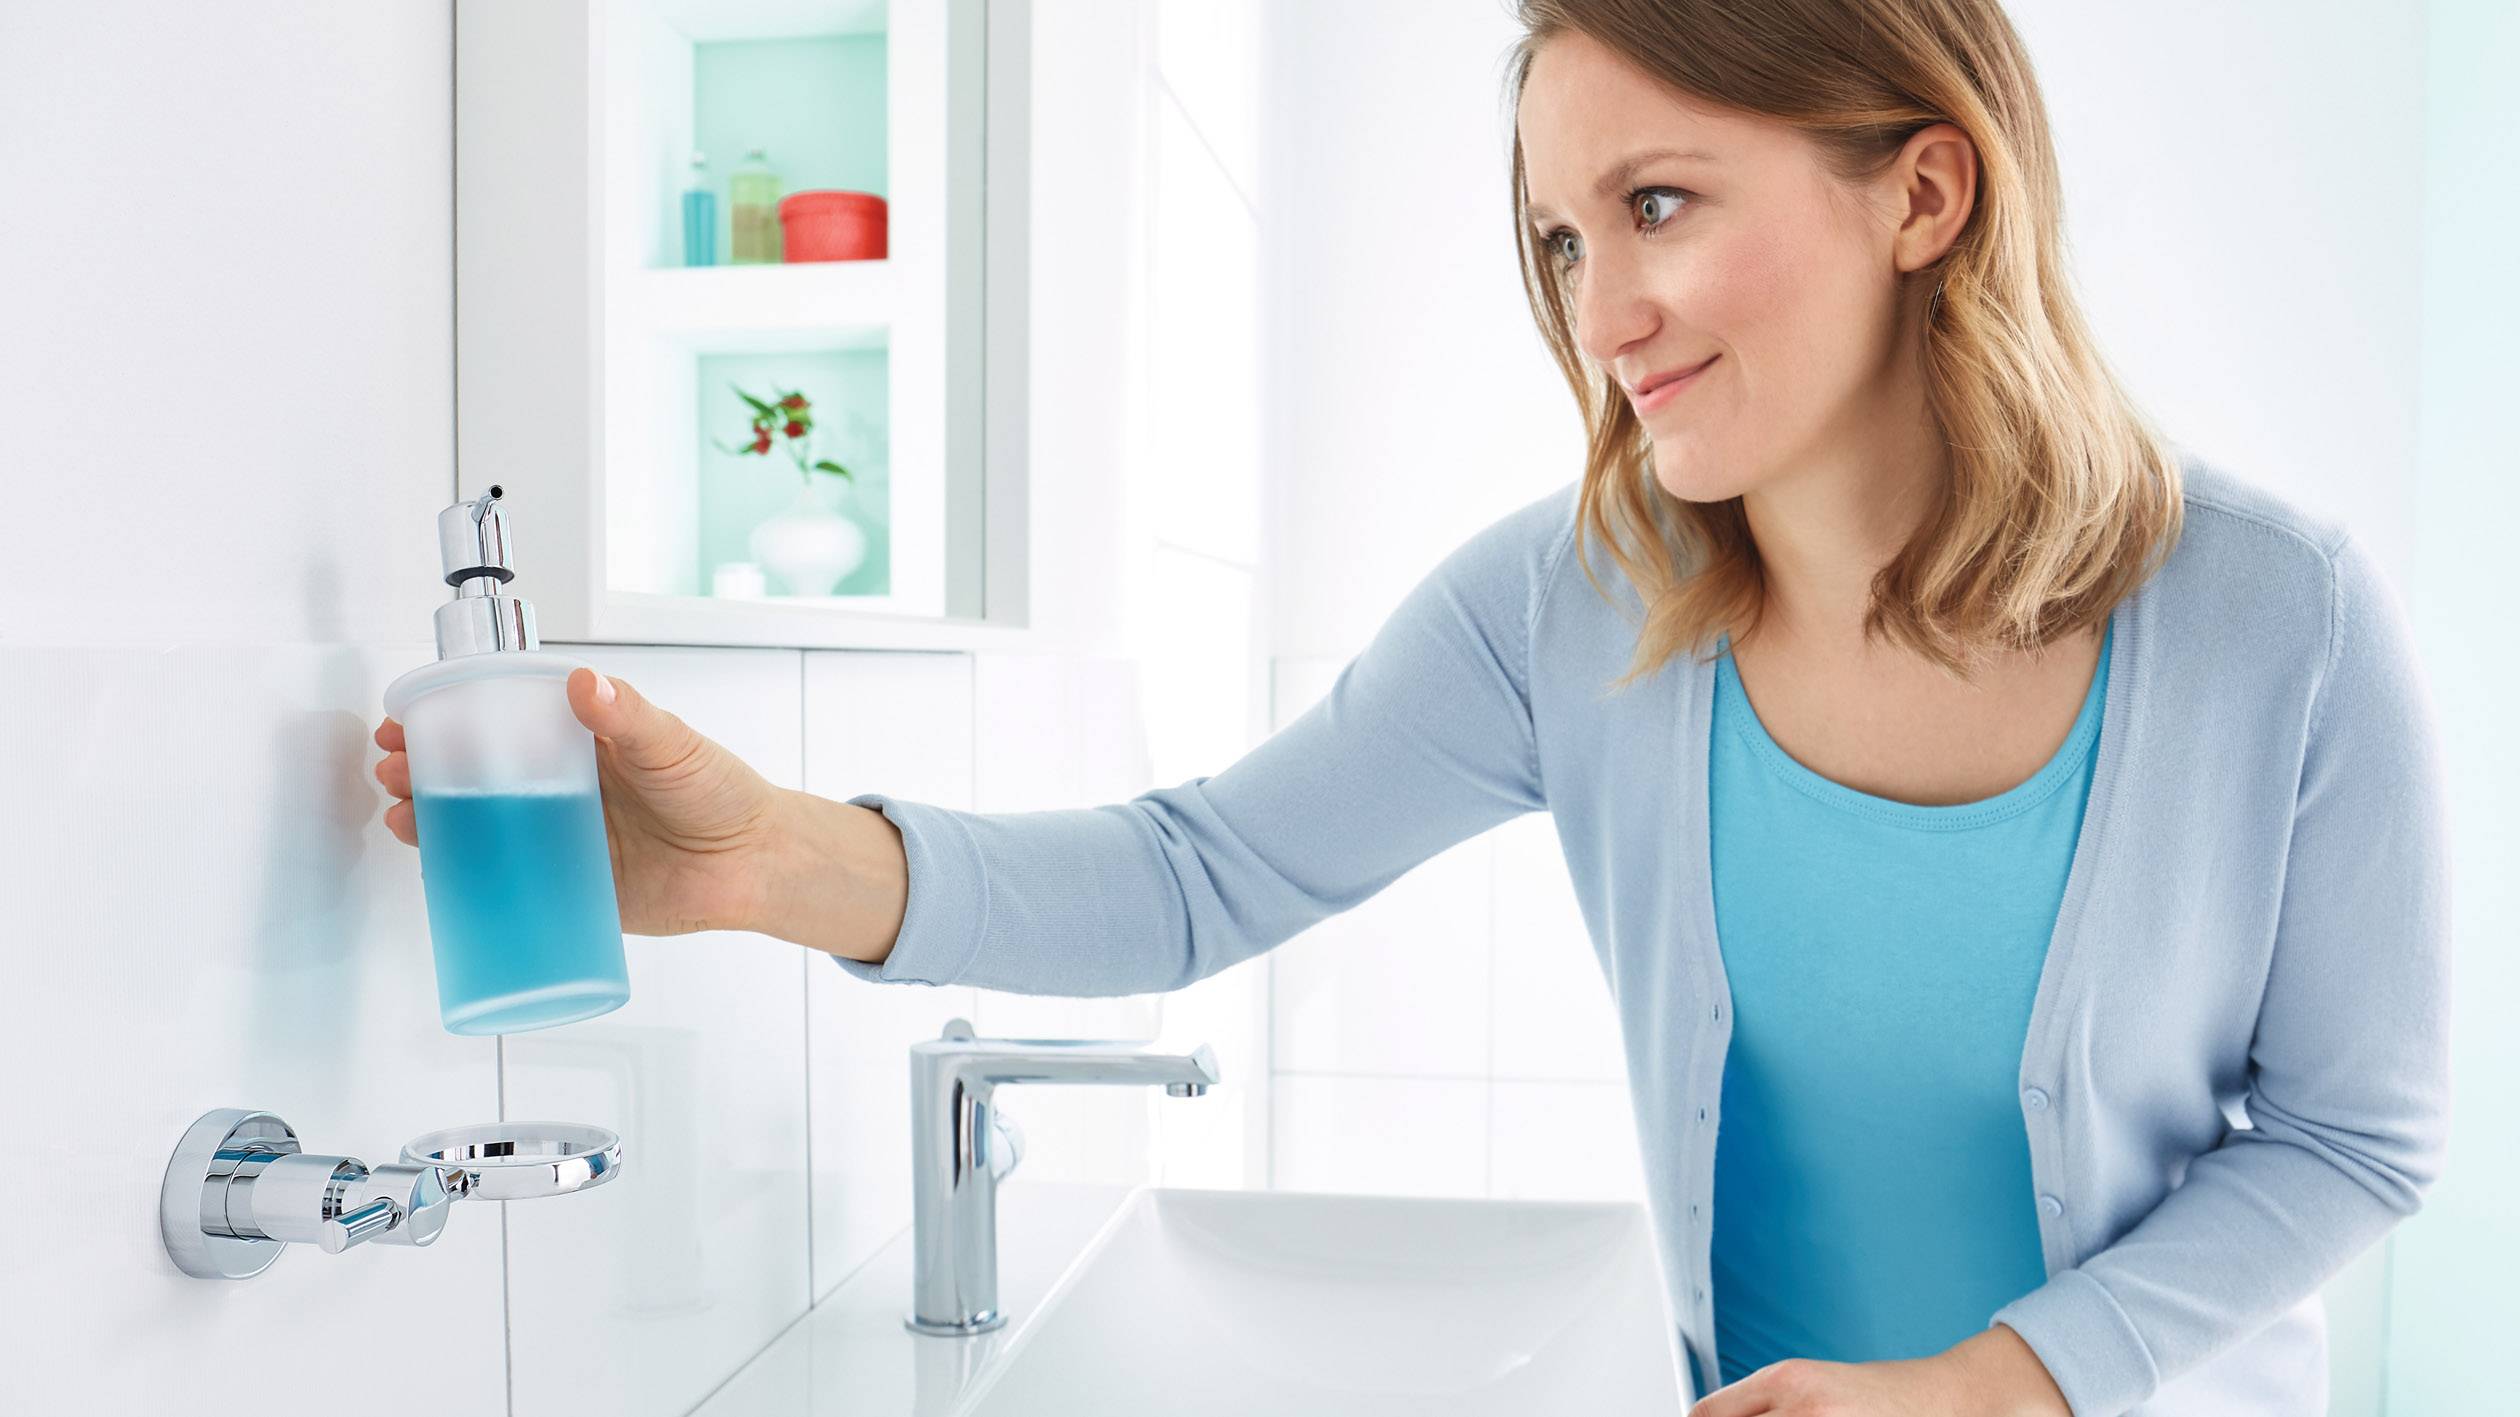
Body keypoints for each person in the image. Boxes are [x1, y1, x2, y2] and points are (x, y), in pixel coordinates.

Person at [374, 2, 2450, 1412]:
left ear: (1924, 191)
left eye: (1659, 204)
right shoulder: (1572, 608)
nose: (1596, 308)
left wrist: (2003, 1385)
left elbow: (2358, 1137)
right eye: (1559, 236)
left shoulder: (2276, 621)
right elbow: (1194, 876)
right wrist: (771, 859)